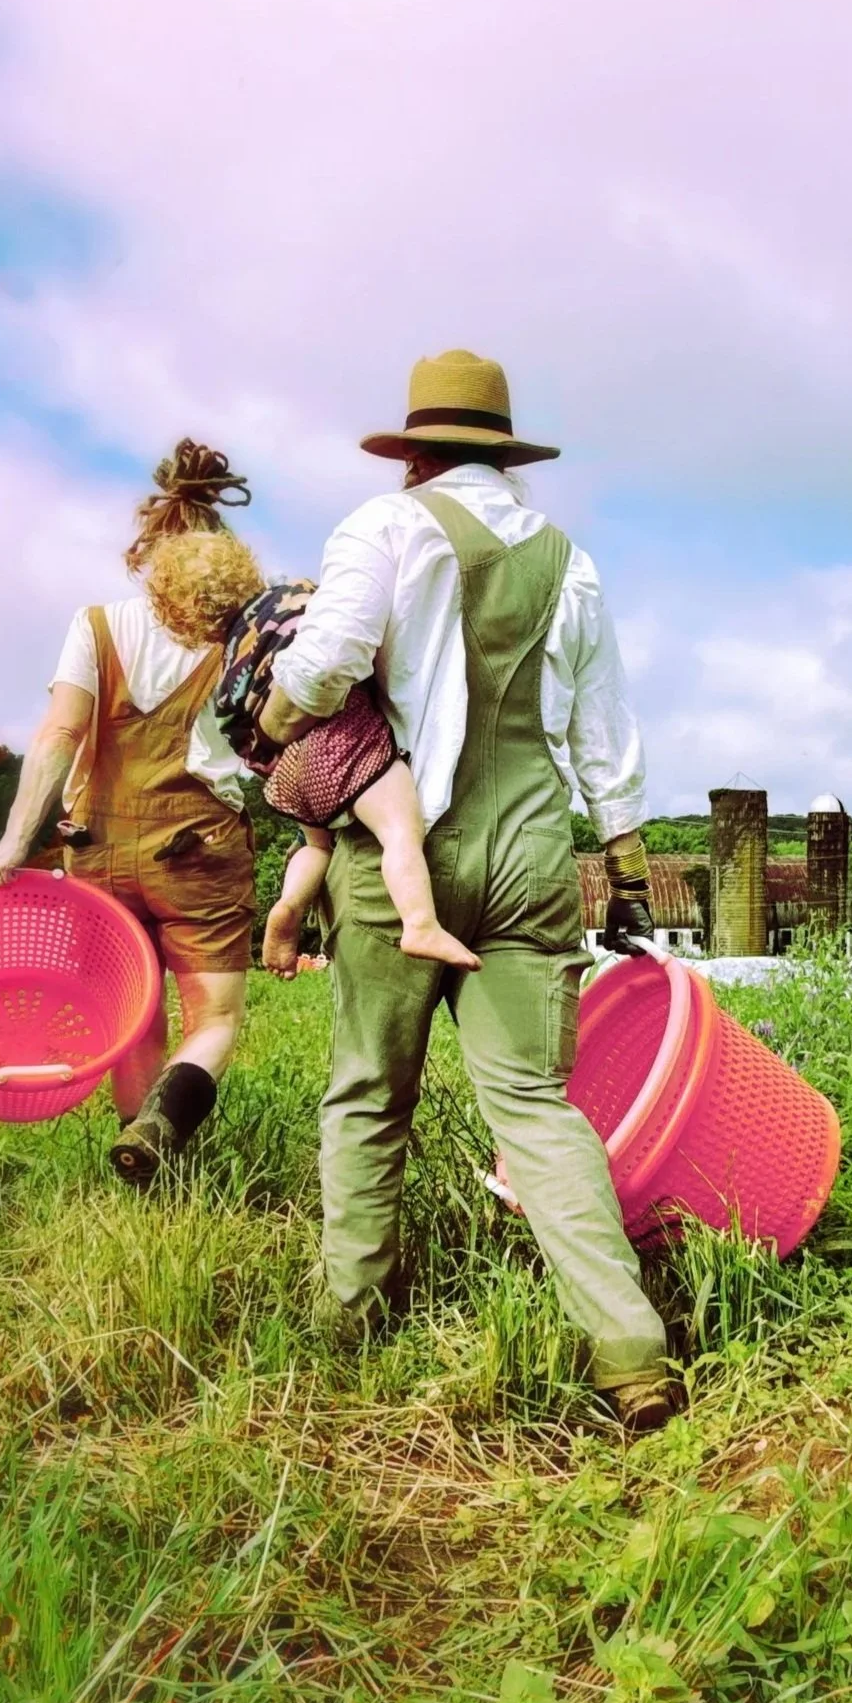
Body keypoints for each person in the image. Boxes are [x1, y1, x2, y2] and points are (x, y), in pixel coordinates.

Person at [256, 349, 676, 1434]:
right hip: (534, 856)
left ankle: (351, 1315)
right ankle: (629, 1350)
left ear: (413, 453)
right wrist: (624, 868)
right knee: (534, 1105)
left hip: (398, 860)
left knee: (366, 1093)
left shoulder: (382, 529)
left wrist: (275, 721)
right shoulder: (570, 562)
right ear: (502, 454)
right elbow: (602, 737)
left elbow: (326, 659)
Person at [0, 440, 260, 1187]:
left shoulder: (97, 626)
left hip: (97, 850)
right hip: (200, 856)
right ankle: (165, 1124)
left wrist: (14, 840)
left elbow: (57, 736)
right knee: (216, 1021)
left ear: (151, 543)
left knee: (132, 1014)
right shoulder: (240, 637)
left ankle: (146, 1172)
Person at [216, 579, 480, 977]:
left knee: (317, 848)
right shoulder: (300, 596)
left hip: (288, 766)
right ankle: (420, 924)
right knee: (399, 831)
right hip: (342, 743)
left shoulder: (237, 650)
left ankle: (290, 902)